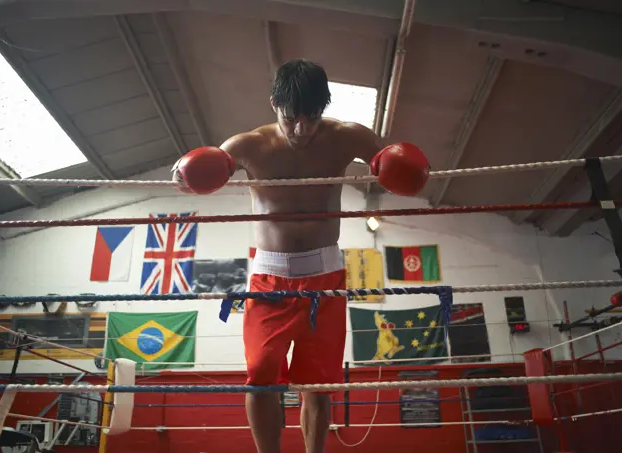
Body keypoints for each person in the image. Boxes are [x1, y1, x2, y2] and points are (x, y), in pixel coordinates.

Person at [172, 59, 429, 453]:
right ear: (274, 103)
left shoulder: (347, 137)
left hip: (325, 273)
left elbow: (394, 164)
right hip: (269, 278)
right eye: (292, 118)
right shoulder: (247, 145)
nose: (302, 130)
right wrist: (184, 175)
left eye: (312, 118)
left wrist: (408, 169)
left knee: (319, 383)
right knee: (260, 376)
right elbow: (194, 179)